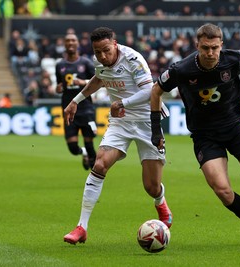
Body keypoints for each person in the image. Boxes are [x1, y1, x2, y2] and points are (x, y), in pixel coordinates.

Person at [150, 23, 240, 246]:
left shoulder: (232, 59)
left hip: (234, 126)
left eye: (214, 48)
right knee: (222, 190)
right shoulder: (181, 69)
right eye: (205, 48)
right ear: (197, 45)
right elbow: (156, 91)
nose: (210, 53)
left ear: (221, 45)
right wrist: (155, 129)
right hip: (204, 135)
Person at [62, 27, 173, 245]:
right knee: (100, 164)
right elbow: (98, 79)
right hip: (120, 122)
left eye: (106, 51)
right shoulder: (99, 62)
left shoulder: (133, 59)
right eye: (97, 52)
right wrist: (75, 101)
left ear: (115, 44)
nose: (102, 56)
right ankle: (81, 227)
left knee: (151, 186)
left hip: (146, 121)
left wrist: (121, 103)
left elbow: (150, 91)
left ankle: (160, 202)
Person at [55, 33, 97, 170]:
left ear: (77, 43)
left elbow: (100, 81)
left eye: (73, 40)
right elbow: (59, 85)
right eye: (67, 40)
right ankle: (82, 152)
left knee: (90, 144)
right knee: (73, 148)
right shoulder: (60, 65)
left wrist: (82, 82)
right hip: (68, 109)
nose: (70, 43)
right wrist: (59, 88)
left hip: (85, 109)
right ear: (64, 44)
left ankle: (95, 177)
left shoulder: (86, 63)